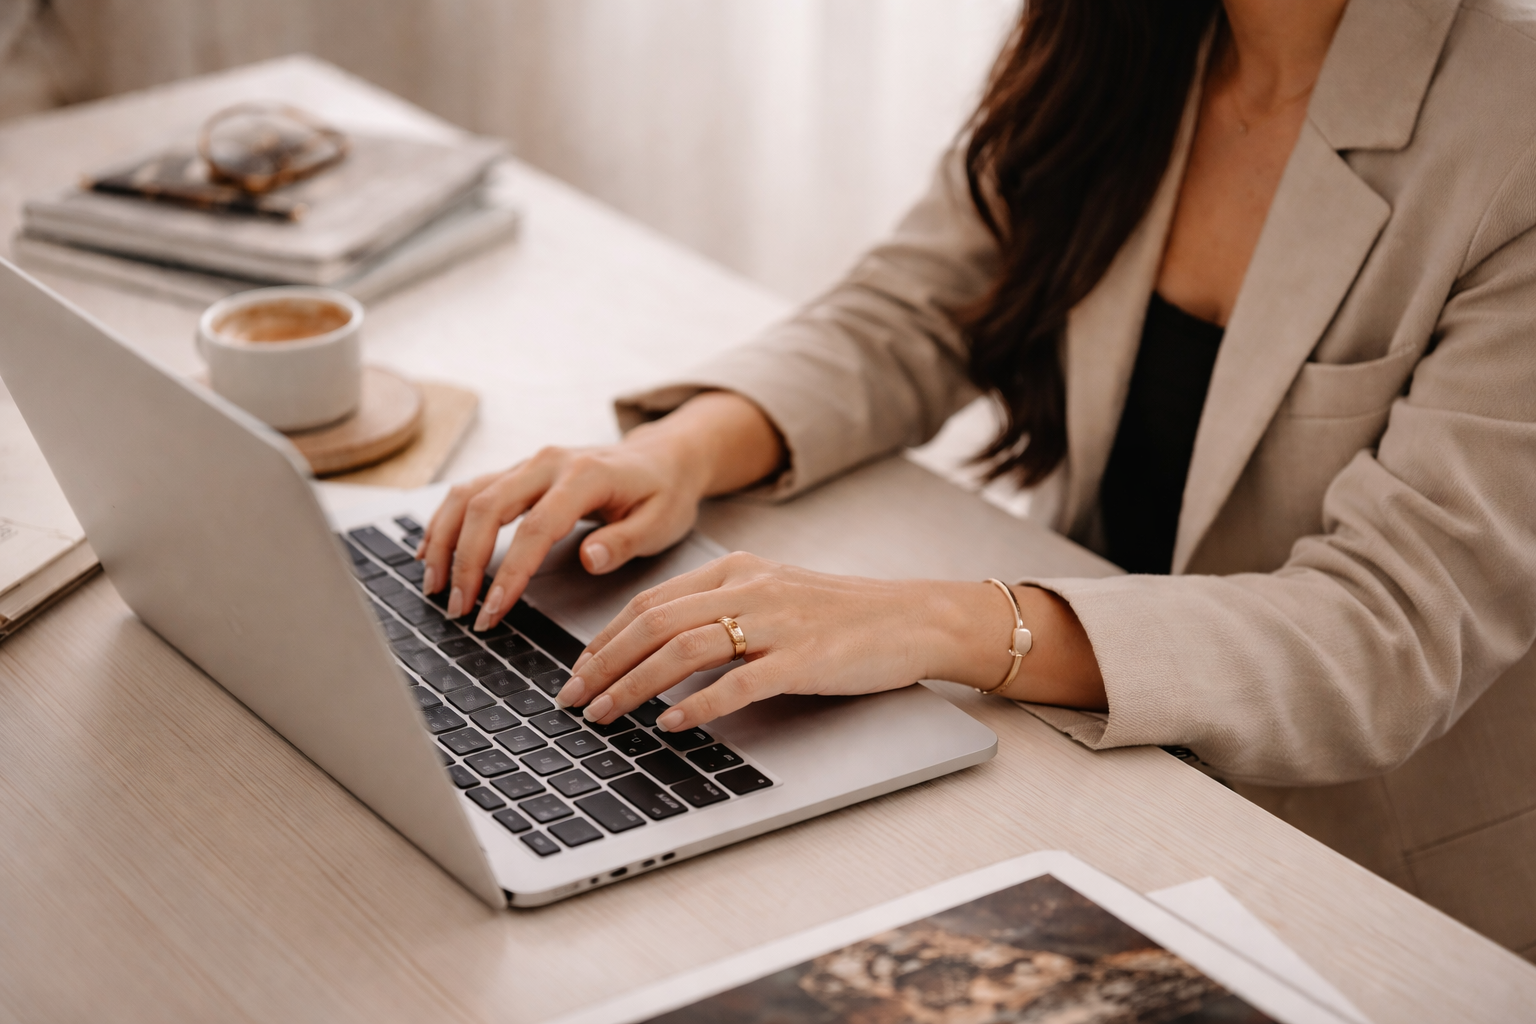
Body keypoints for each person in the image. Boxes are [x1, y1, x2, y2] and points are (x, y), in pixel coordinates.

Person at [419, 0, 1536, 951]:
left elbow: (1386, 630)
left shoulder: (1512, 127)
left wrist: (944, 623)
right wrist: (669, 453)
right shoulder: (1128, 39)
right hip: (1074, 745)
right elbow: (913, 314)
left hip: (1360, 860)